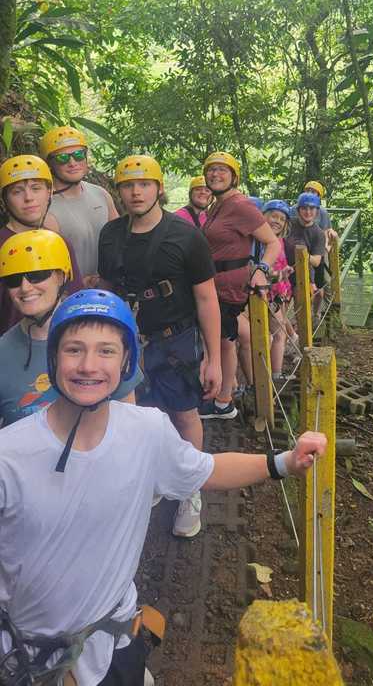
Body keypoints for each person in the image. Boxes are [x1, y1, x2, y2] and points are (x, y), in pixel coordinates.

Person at [0, 288, 326, 686]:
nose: (88, 366)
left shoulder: (146, 431)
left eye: (106, 351)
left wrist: (285, 462)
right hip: (24, 656)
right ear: (53, 358)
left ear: (126, 362)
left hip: (113, 641)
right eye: (74, 350)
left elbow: (206, 470)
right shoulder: (9, 454)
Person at [98, 155, 221, 538]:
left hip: (174, 341)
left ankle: (190, 489)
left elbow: (207, 299)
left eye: (144, 184)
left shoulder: (185, 236)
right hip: (127, 340)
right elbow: (108, 288)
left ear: (159, 188)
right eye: (128, 185)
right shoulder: (110, 235)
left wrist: (214, 358)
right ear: (118, 191)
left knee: (184, 414)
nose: (136, 192)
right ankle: (152, 476)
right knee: (138, 416)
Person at [0, 230, 142, 426]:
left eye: (37, 275)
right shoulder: (3, 352)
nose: (25, 287)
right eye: (13, 280)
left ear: (61, 276)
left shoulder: (105, 335)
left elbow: (129, 419)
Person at [200, 151, 279, 420]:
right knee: (221, 339)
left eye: (222, 170)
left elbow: (272, 242)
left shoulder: (241, 206)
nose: (215, 174)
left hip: (229, 287)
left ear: (234, 177)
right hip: (213, 284)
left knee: (225, 340)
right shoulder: (217, 205)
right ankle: (222, 392)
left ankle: (223, 401)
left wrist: (262, 270)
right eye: (211, 170)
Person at [0, 154, 83, 335]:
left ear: (49, 192)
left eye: (36, 188)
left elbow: (75, 301)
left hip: (60, 343)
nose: (29, 198)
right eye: (17, 191)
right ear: (5, 200)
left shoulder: (59, 243)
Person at [40, 125, 118, 281]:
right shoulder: (43, 207)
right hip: (70, 292)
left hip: (110, 288)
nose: (72, 162)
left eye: (78, 155)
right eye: (62, 158)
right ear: (49, 164)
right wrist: (76, 284)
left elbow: (120, 239)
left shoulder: (101, 194)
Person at [262, 200, 293, 379]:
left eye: (282, 219)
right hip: (259, 294)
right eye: (274, 216)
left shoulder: (280, 241)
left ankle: (276, 375)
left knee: (279, 332)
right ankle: (258, 378)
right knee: (264, 336)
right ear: (263, 216)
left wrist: (284, 274)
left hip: (276, 294)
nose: (277, 221)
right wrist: (278, 274)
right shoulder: (259, 241)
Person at [286, 192, 326, 319]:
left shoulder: (318, 234)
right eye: (304, 208)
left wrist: (303, 254)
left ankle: (314, 317)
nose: (308, 212)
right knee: (280, 310)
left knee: (302, 310)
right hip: (284, 271)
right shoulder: (289, 224)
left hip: (304, 274)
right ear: (298, 210)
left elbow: (316, 261)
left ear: (317, 211)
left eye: (311, 208)